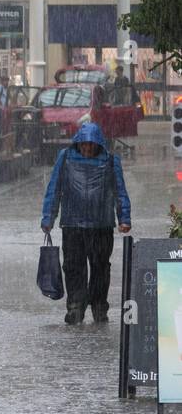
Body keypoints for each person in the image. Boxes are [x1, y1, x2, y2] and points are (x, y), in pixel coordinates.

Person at [40, 122, 131, 324]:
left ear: (98, 144)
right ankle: (75, 306)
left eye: (91, 145)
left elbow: (120, 191)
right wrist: (48, 217)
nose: (87, 149)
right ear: (78, 144)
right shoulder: (65, 158)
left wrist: (124, 218)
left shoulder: (110, 161)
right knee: (73, 267)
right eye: (84, 145)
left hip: (101, 226)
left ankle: (99, 306)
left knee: (100, 268)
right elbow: (54, 189)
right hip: (73, 225)